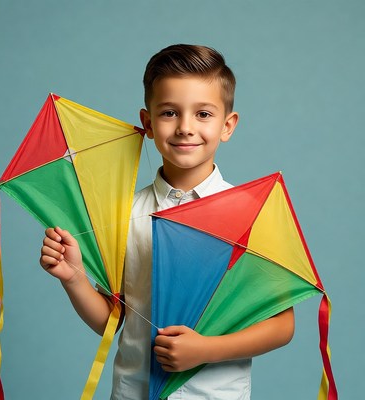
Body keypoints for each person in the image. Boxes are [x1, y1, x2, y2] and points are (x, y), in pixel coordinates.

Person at [40, 44, 295, 400]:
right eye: (170, 113)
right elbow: (113, 322)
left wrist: (205, 350)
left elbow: (282, 326)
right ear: (147, 123)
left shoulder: (251, 215)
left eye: (204, 114)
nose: (186, 128)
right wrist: (75, 278)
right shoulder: (124, 215)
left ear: (228, 125)